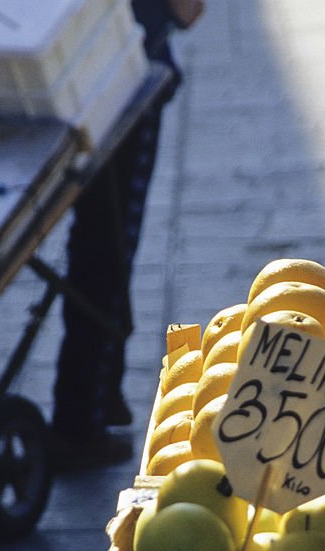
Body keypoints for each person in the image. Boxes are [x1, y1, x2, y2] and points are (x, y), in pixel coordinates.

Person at [50, 0, 204, 466]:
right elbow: (187, 10)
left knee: (98, 234)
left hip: (54, 72)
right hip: (120, 73)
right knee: (109, 239)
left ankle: (103, 389)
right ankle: (81, 419)